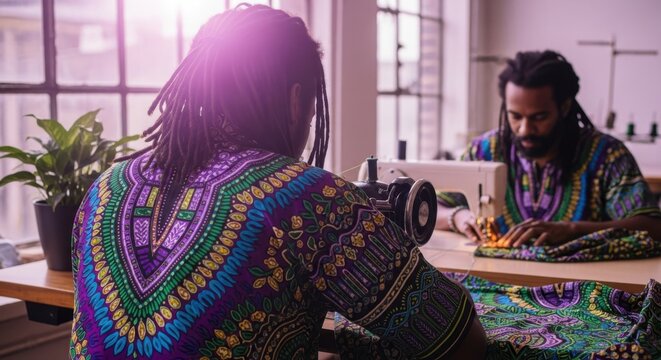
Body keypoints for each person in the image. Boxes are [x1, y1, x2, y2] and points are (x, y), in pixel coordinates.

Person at [69, 5, 486, 359]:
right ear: (294, 100)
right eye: (310, 111)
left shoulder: (106, 187)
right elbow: (457, 339)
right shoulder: (311, 200)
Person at [438, 50, 661, 247]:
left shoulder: (606, 156)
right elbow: (430, 209)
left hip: (583, 287)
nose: (524, 129)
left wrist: (571, 230)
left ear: (564, 107)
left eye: (539, 117)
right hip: (496, 280)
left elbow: (652, 226)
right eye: (515, 116)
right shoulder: (483, 152)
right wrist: (457, 217)